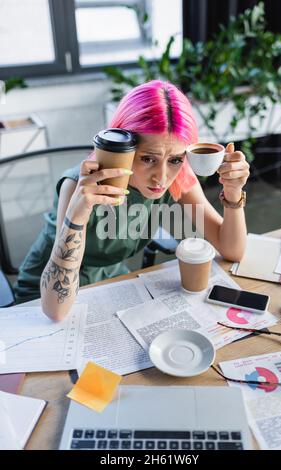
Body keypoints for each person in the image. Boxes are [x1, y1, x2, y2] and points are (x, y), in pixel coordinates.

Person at [14, 80, 250, 321]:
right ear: (121, 147)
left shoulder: (178, 178)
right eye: (148, 159)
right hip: (45, 293)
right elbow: (55, 311)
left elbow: (232, 250)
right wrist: (76, 217)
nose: (162, 176)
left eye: (176, 160)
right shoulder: (77, 186)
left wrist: (233, 192)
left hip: (112, 281)